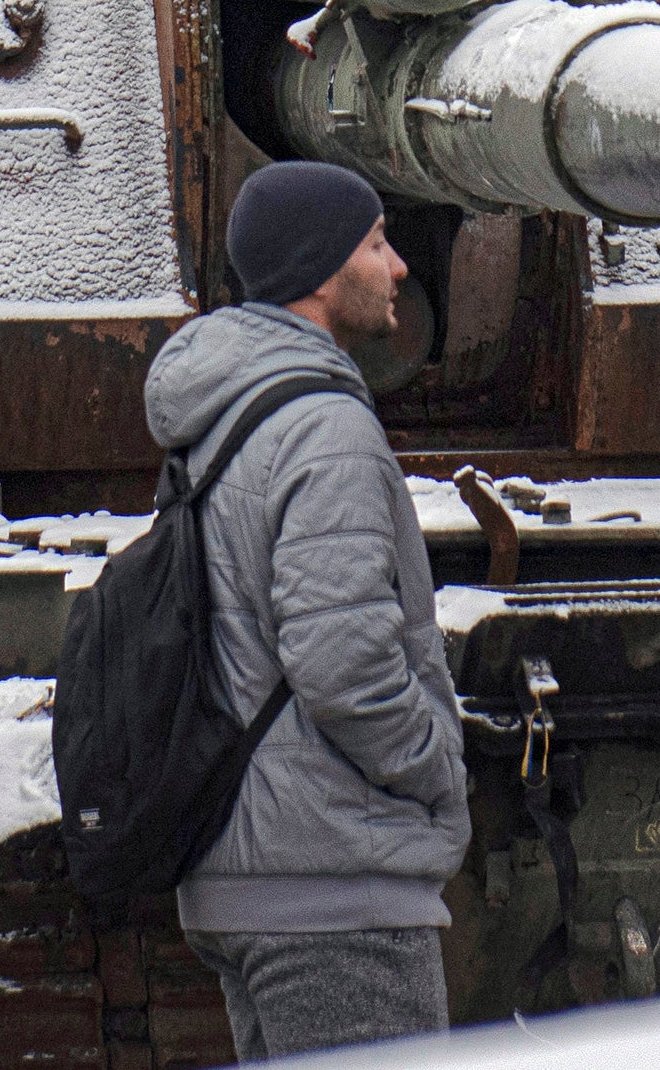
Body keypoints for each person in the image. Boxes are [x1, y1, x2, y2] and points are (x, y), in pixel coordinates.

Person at [143, 164, 467, 1058]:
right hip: (332, 887)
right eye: (374, 242)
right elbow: (341, 661)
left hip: (249, 868)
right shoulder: (324, 427)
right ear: (322, 271)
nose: (398, 265)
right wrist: (435, 761)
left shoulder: (222, 412)